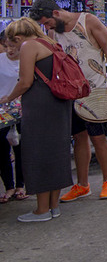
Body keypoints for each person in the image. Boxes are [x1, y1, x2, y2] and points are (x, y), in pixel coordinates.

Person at [29, 0, 107, 201]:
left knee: (98, 138)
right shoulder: (53, 33)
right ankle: (82, 185)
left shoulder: (89, 21)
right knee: (79, 138)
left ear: (55, 13)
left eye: (46, 22)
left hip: (94, 92)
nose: (46, 27)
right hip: (70, 93)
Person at [0, 18, 73, 222]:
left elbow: (25, 81)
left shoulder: (29, 46)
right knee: (56, 153)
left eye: (12, 43)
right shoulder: (49, 43)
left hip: (40, 105)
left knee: (38, 154)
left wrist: (8, 97)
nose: (11, 48)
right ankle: (53, 207)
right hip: (58, 103)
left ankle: (41, 210)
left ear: (18, 37)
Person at [0, 30, 26, 203]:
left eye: (12, 46)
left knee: (22, 150)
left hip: (22, 110)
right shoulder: (1, 60)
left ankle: (21, 185)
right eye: (6, 46)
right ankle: (8, 186)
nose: (9, 50)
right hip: (2, 110)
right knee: (2, 148)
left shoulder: (28, 60)